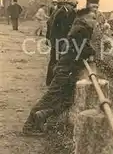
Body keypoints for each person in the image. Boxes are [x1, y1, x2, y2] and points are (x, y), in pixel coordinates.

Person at [22, 8, 98, 136]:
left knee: (67, 100)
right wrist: (92, 52)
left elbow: (83, 47)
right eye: (93, 18)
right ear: (85, 18)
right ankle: (29, 126)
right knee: (50, 98)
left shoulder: (79, 28)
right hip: (65, 70)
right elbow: (84, 49)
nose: (95, 21)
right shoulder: (80, 30)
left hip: (68, 69)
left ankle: (42, 115)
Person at [45, 0, 78, 86]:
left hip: (57, 40)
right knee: (55, 60)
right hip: (58, 40)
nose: (73, 9)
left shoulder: (61, 11)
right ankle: (51, 81)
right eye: (72, 6)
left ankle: (51, 80)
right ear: (67, 5)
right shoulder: (62, 13)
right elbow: (63, 29)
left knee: (54, 60)